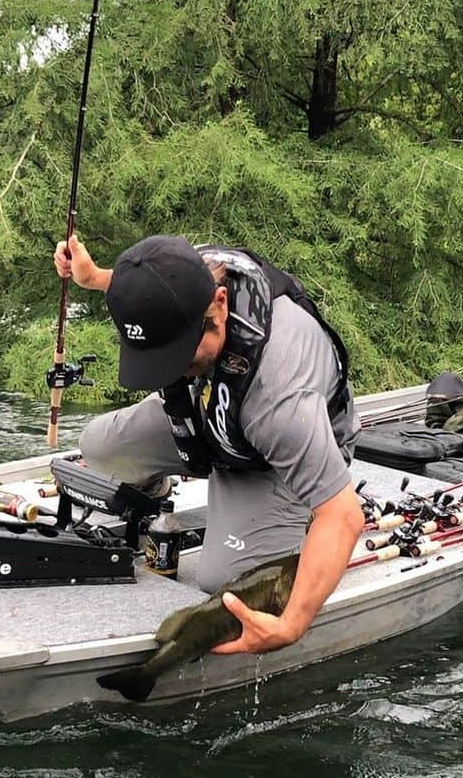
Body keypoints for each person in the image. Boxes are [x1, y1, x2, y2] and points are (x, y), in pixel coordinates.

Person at [53, 233, 364, 655]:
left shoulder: (279, 402)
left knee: (223, 581)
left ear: (218, 306)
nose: (174, 370)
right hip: (214, 411)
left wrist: (291, 625)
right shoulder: (186, 275)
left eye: (180, 353)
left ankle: (292, 525)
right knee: (98, 447)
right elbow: (150, 295)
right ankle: (160, 487)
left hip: (271, 458)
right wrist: (95, 278)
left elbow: (344, 517)